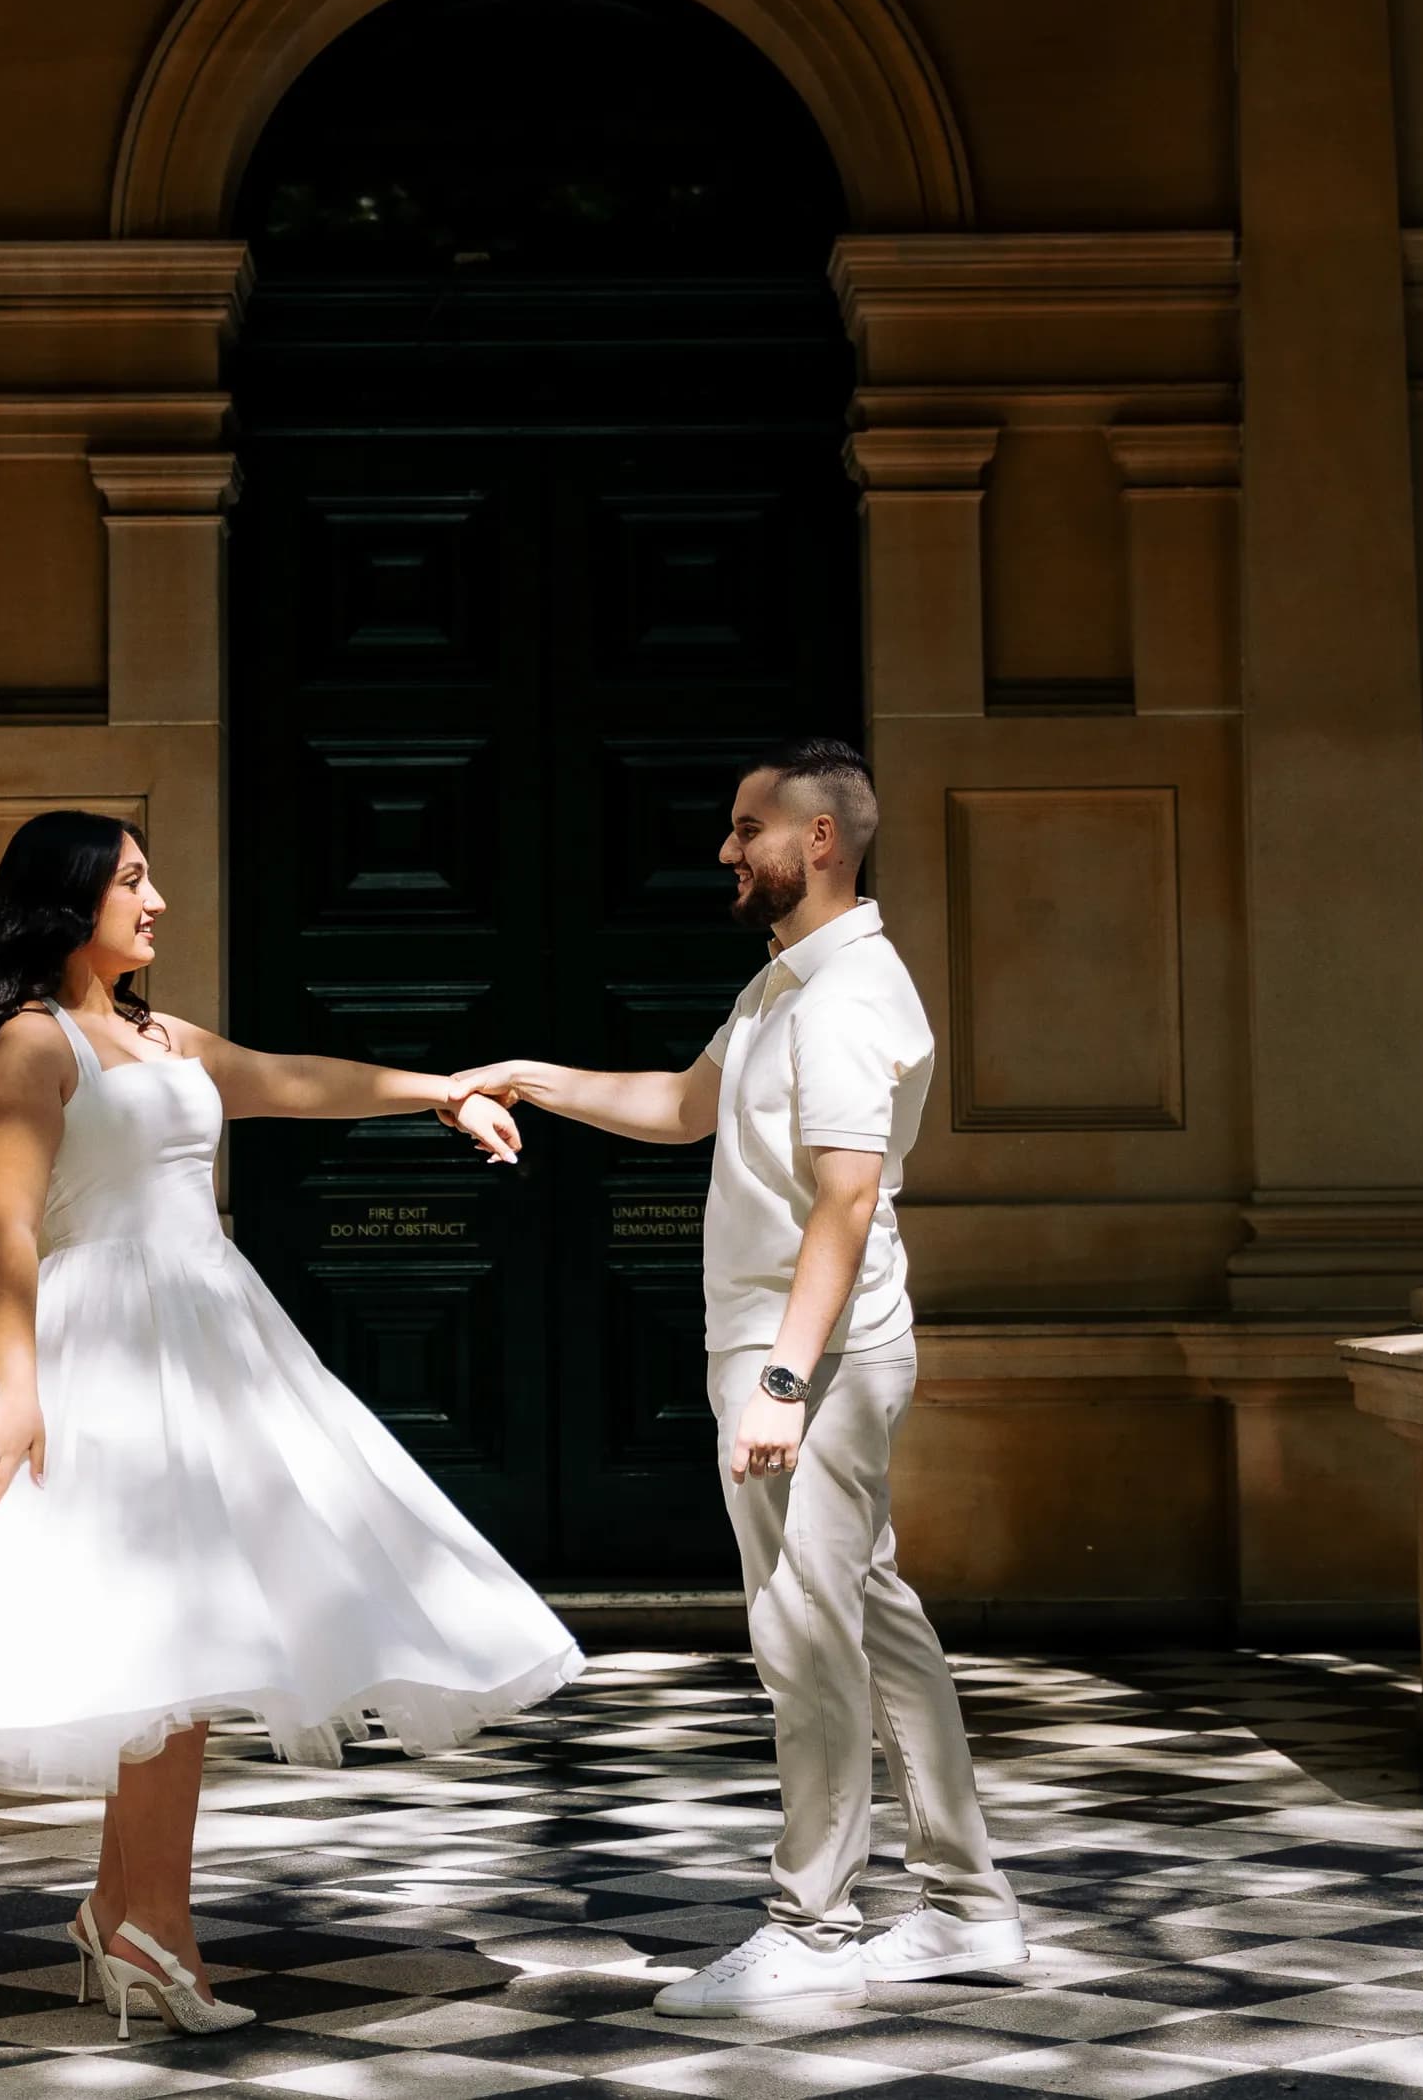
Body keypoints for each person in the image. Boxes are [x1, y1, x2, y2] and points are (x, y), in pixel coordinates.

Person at [0, 809, 580, 2042]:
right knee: (166, 1651)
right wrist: (20, 1391)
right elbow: (11, 1229)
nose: (160, 899)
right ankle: (152, 1926)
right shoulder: (30, 1046)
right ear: (70, 899)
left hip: (213, 1336)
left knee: (179, 1653)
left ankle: (125, 1910)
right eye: (135, 879)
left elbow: (291, 1080)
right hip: (107, 1353)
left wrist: (443, 1092)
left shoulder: (157, 1032)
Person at [448, 736, 1023, 2016]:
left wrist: (780, 1379)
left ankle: (811, 1930)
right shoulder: (784, 984)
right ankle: (968, 1907)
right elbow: (683, 1105)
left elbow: (847, 1197)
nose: (725, 847)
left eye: (747, 825)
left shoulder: (845, 994)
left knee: (804, 1626)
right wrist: (526, 1074)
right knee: (865, 1611)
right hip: (797, 1350)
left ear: (818, 838)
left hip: (808, 1356)